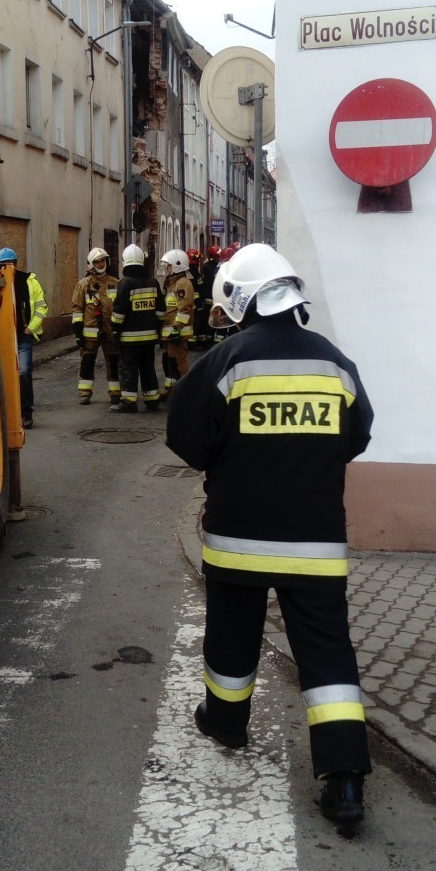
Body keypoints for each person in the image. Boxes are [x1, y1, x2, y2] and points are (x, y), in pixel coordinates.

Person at [165, 243, 374, 827]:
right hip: (316, 545)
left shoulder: (226, 362)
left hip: (238, 542)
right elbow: (358, 436)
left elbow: (185, 436)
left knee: (232, 638)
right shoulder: (335, 364)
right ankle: (345, 780)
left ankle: (226, 725)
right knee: (328, 652)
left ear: (240, 300)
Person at [110, 243, 165, 413]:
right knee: (148, 368)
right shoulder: (153, 282)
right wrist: (156, 328)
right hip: (149, 339)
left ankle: (128, 402)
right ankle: (152, 400)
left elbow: (119, 311)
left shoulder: (125, 283)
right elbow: (161, 311)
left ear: (125, 261)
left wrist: (115, 330)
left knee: (129, 369)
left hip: (129, 339)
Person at [0, 246, 47, 429]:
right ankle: (6, 414)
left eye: (9, 263)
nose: (6, 267)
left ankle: (26, 412)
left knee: (23, 372)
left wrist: (30, 328)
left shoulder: (29, 281)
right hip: (2, 338)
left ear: (16, 264)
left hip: (23, 337)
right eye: (2, 264)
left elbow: (42, 306)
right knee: (2, 376)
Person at [71, 247, 121, 408]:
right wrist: (78, 333)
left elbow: (120, 307)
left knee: (114, 362)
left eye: (103, 261)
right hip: (90, 332)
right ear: (92, 265)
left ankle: (115, 393)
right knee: (87, 362)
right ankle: (84, 393)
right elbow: (77, 309)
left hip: (110, 331)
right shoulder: (83, 285)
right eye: (97, 262)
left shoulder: (115, 283)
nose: (101, 264)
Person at [159, 249, 196, 399]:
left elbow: (184, 307)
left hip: (177, 332)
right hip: (170, 332)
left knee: (179, 363)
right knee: (169, 362)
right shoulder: (172, 284)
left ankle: (186, 394)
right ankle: (171, 390)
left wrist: (176, 327)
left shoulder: (183, 284)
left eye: (168, 266)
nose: (166, 268)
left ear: (176, 266)